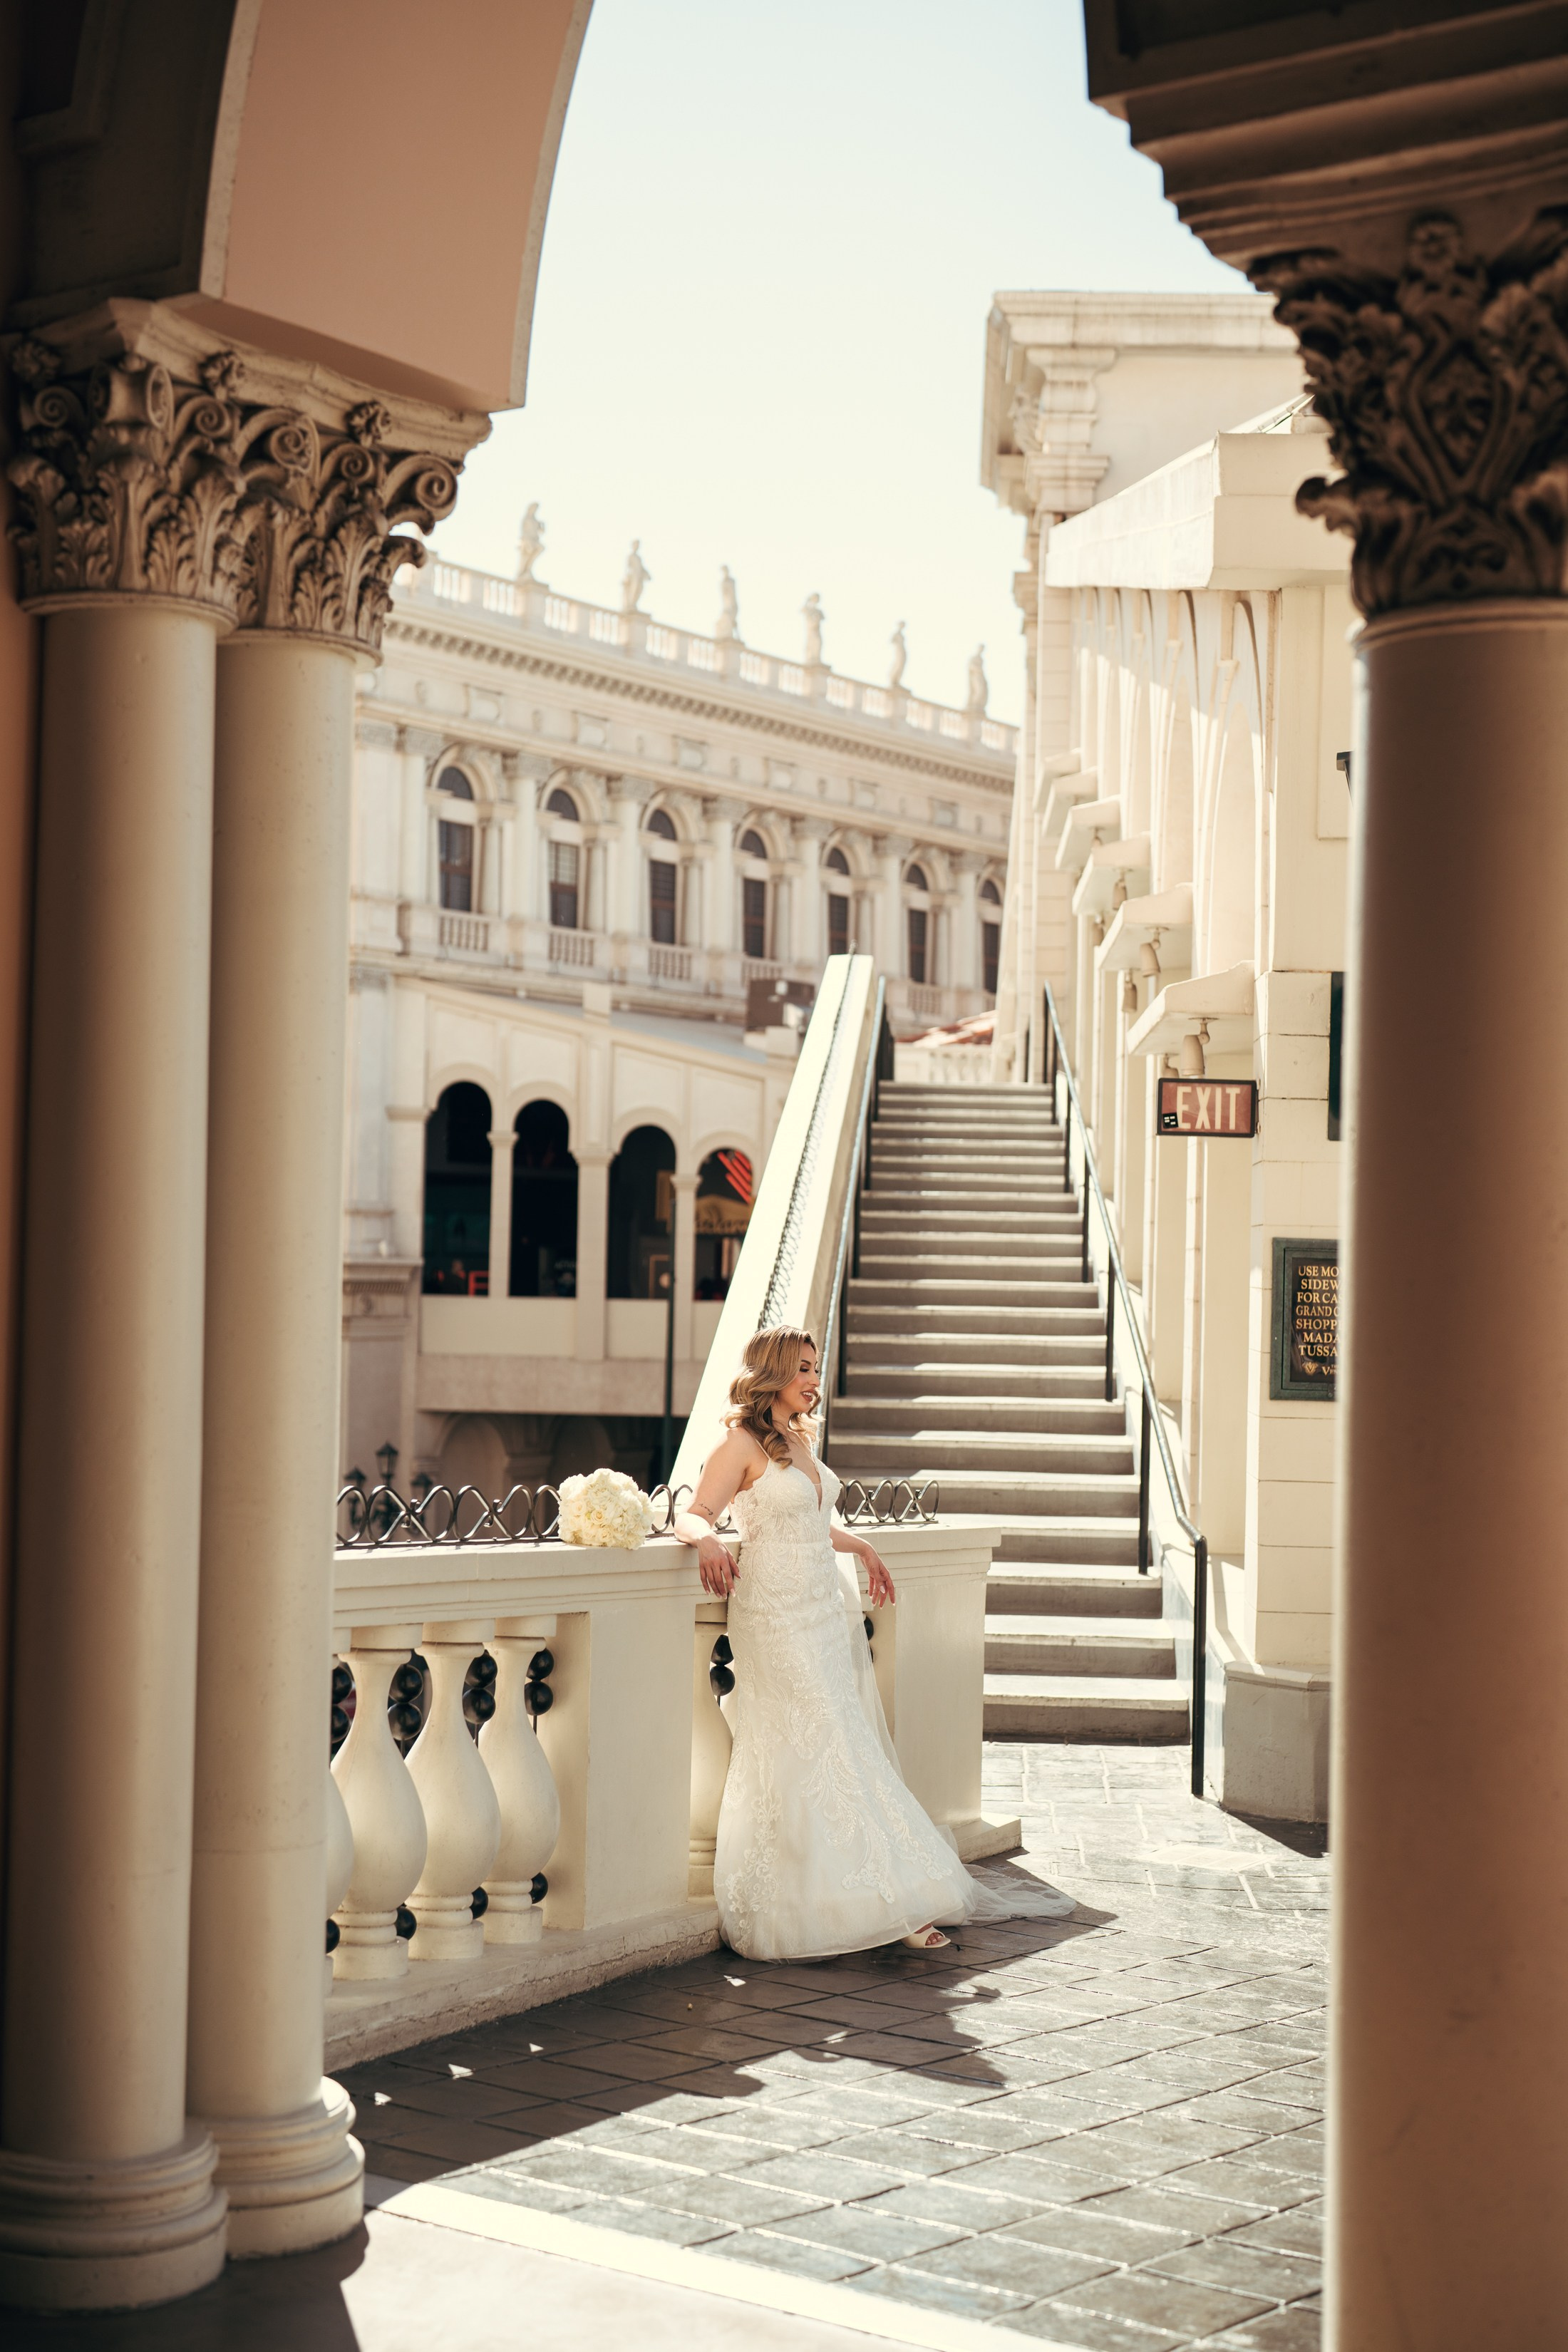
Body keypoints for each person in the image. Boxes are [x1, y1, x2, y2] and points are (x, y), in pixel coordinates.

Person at [674, 1325, 1072, 1961]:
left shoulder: (798, 1440)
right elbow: (692, 1514)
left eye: (815, 1368)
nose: (814, 1379)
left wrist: (859, 1544)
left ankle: (875, 1889)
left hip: (819, 1613)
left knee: (841, 1741)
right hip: (773, 1617)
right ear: (772, 1373)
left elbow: (810, 1522)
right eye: (803, 1368)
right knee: (811, 1742)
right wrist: (709, 1542)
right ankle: (860, 1900)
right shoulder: (739, 1443)